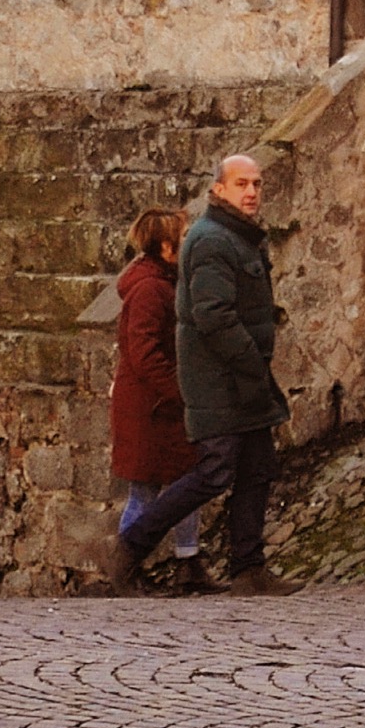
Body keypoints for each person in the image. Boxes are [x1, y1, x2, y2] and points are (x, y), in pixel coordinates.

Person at [86, 152, 289, 597]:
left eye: (256, 183)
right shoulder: (213, 240)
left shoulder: (244, 237)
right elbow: (214, 316)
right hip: (221, 380)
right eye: (241, 184)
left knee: (257, 467)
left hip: (245, 376)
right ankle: (130, 547)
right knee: (213, 472)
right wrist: (250, 363)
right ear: (218, 189)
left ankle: (248, 568)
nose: (252, 191)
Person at [106, 207, 206, 590]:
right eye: (182, 240)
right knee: (145, 490)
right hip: (150, 409)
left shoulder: (162, 282)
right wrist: (179, 391)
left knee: (187, 483)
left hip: (162, 406)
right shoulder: (149, 289)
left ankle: (189, 560)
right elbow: (144, 352)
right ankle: (127, 568)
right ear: (166, 247)